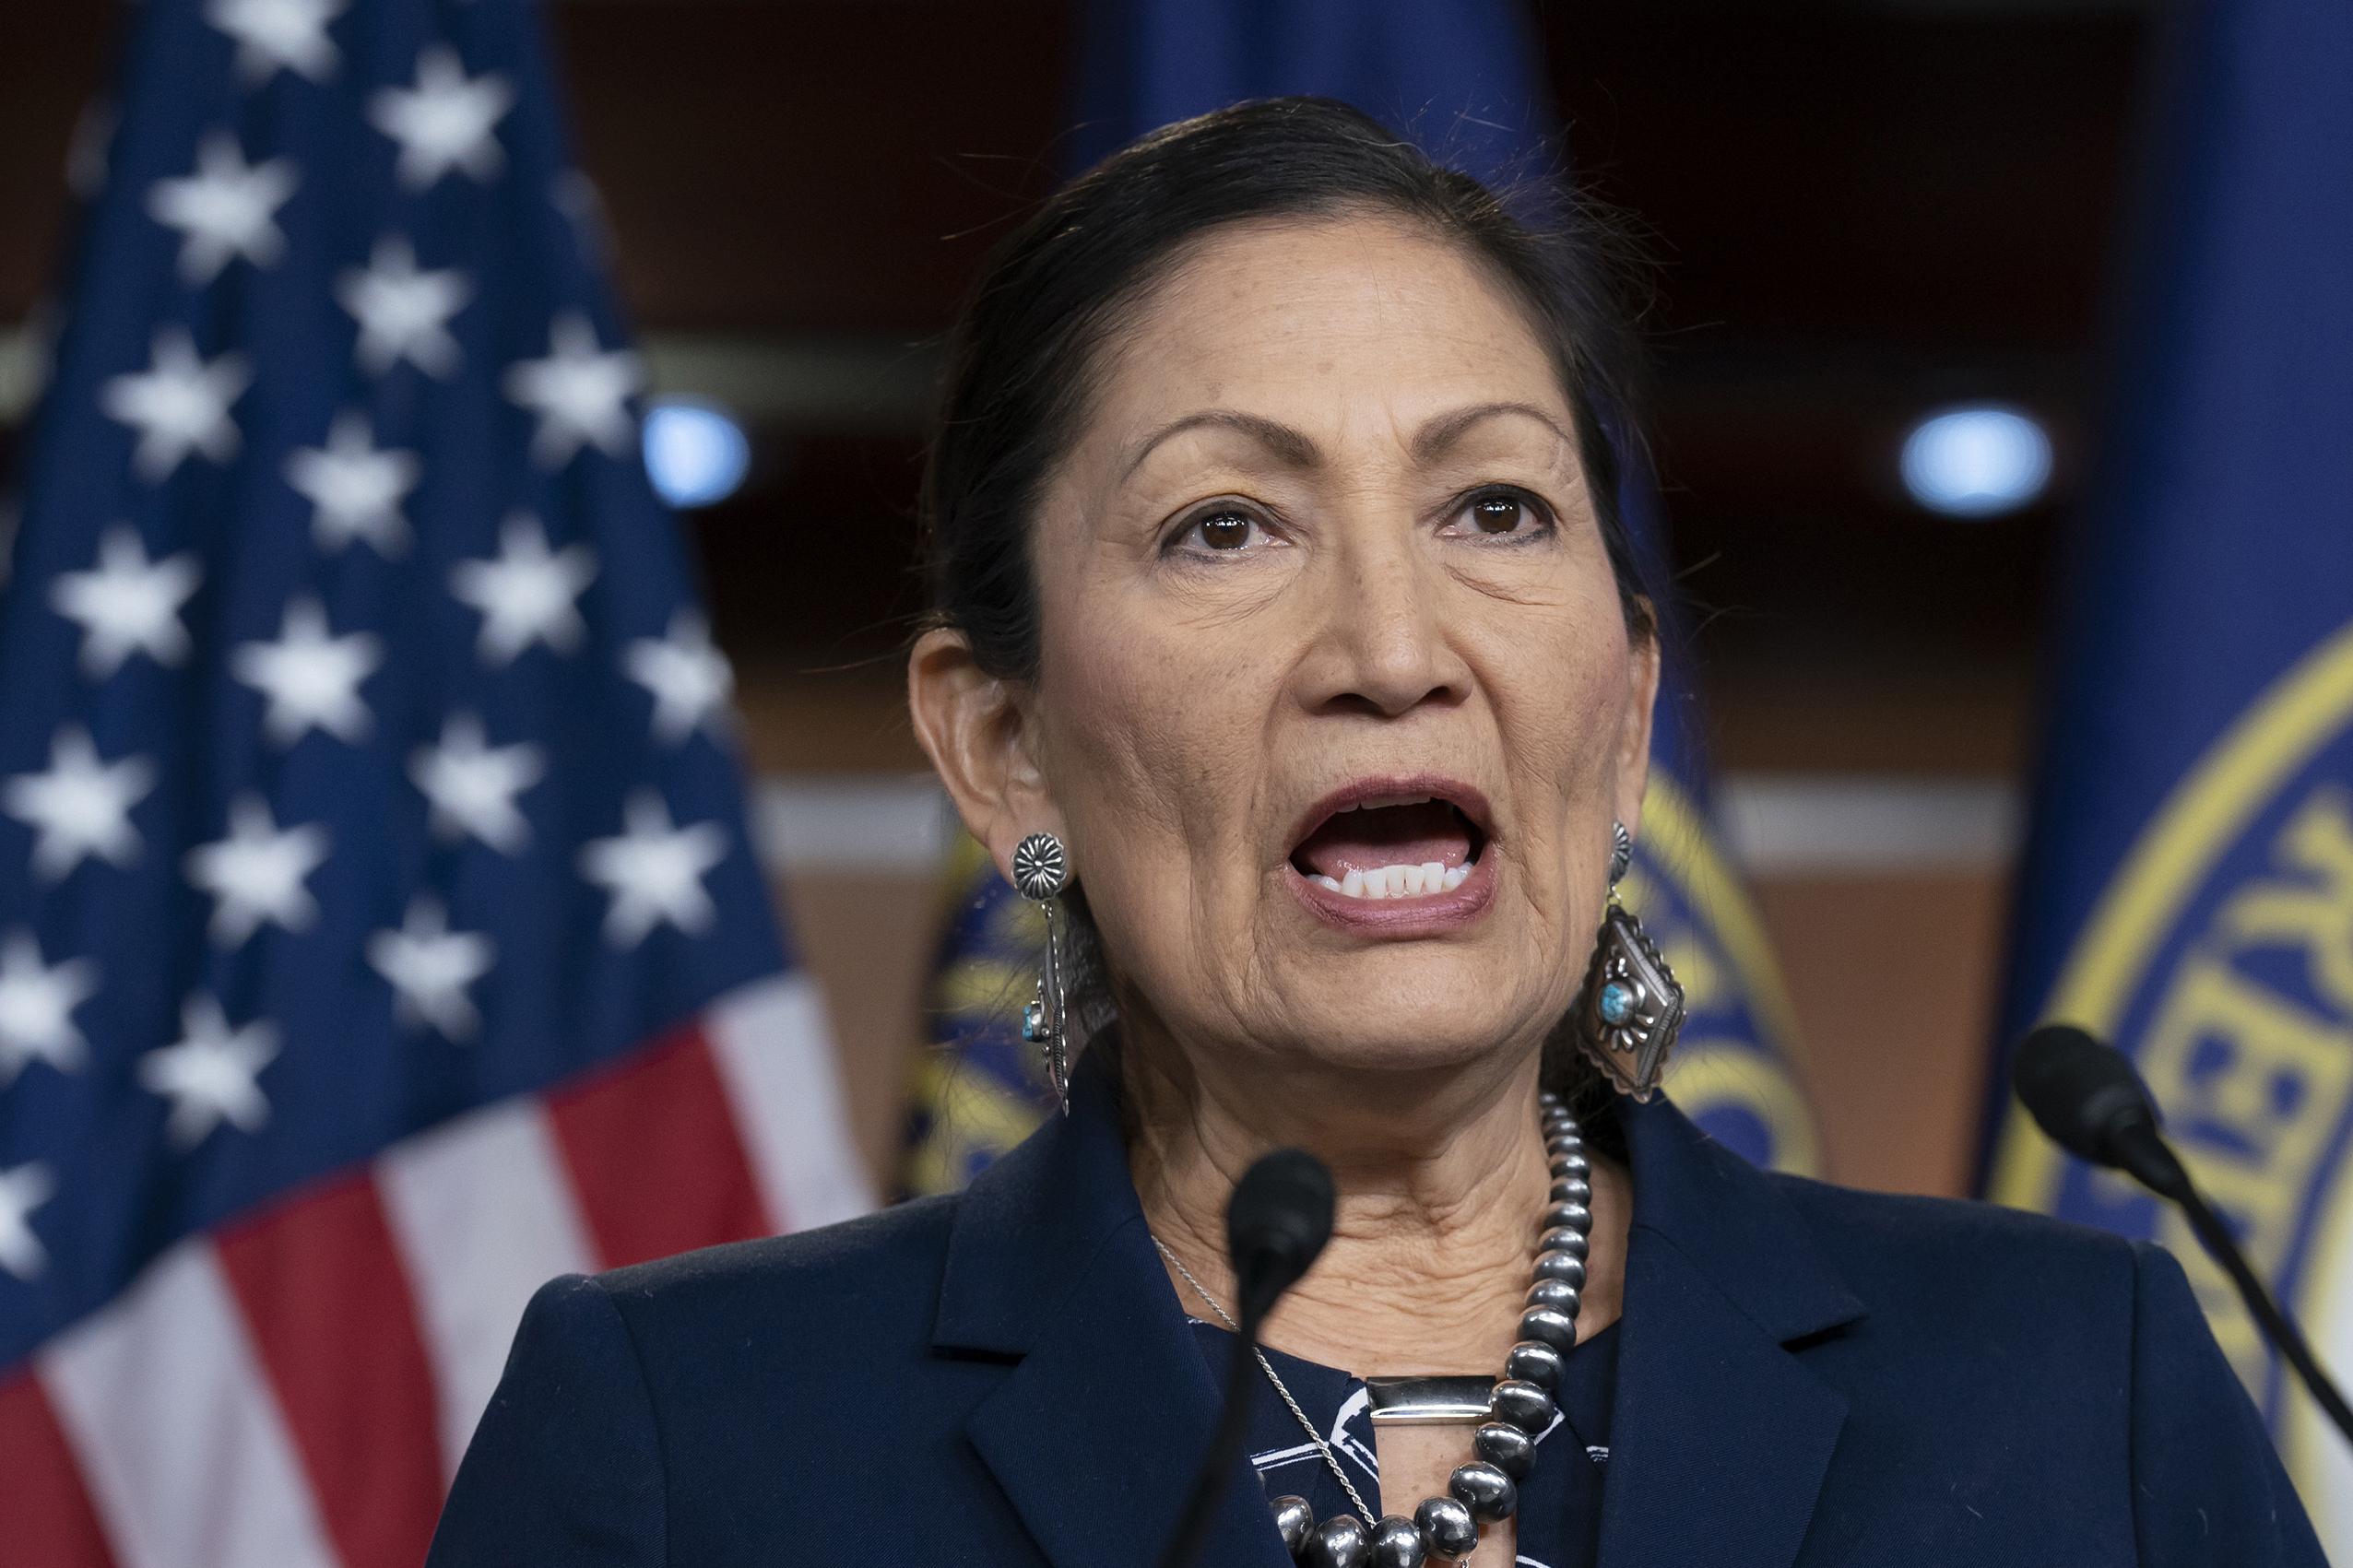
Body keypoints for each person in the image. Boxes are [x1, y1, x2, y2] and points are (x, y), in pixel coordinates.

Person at [426, 98, 2323, 1568]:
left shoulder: (2082, 1384)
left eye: (1493, 508)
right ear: (1001, 740)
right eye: (1224, 526)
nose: (1393, 650)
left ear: (1630, 691)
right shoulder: (693, 1439)